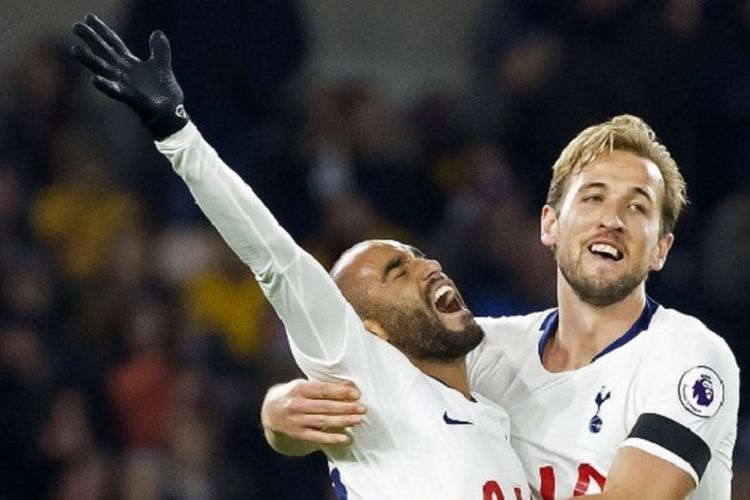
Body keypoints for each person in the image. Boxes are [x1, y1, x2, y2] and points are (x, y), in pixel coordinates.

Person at [70, 14, 530, 499]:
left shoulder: (496, 411)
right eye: (397, 271)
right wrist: (177, 133)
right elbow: (275, 258)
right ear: (371, 330)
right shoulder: (373, 376)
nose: (428, 267)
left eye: (418, 258)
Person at [260, 115, 740, 498]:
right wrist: (280, 418)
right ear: (550, 225)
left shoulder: (688, 356)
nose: (611, 219)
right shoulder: (485, 353)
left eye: (637, 208)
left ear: (661, 249)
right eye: (593, 197)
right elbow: (358, 386)